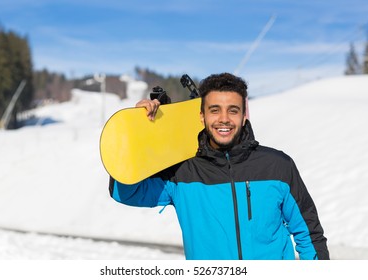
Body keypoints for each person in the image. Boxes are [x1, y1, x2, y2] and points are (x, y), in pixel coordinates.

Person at [109, 73, 329, 260]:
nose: (224, 119)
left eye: (233, 110)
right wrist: (138, 132)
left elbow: (309, 234)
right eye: (215, 110)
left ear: (244, 116)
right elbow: (126, 192)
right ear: (202, 116)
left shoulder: (277, 166)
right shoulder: (182, 173)